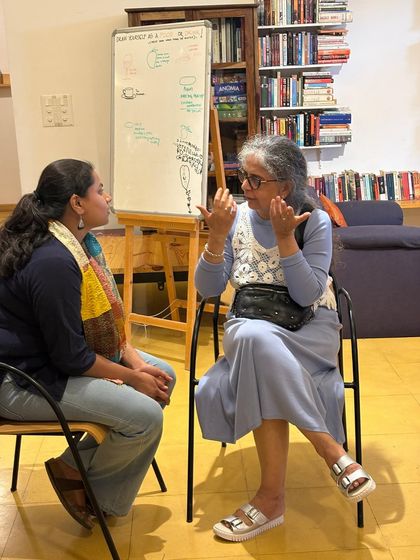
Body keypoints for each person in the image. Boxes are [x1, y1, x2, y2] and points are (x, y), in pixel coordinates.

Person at [194, 135, 375, 542]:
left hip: (309, 329)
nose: (246, 187)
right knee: (256, 339)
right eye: (244, 177)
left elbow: (309, 294)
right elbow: (207, 291)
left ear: (285, 186)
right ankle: (330, 450)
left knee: (259, 356)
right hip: (250, 323)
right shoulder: (235, 218)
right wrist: (217, 237)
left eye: (256, 180)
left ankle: (270, 500)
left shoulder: (315, 220)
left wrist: (285, 238)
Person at [0, 159, 176, 529]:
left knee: (164, 375)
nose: (107, 197)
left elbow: (107, 328)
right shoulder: (54, 262)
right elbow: (71, 357)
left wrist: (135, 364)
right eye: (99, 190)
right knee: (146, 416)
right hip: (21, 381)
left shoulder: (80, 245)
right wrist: (130, 378)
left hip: (50, 362)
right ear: (77, 204)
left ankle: (71, 466)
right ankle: (101, 499)